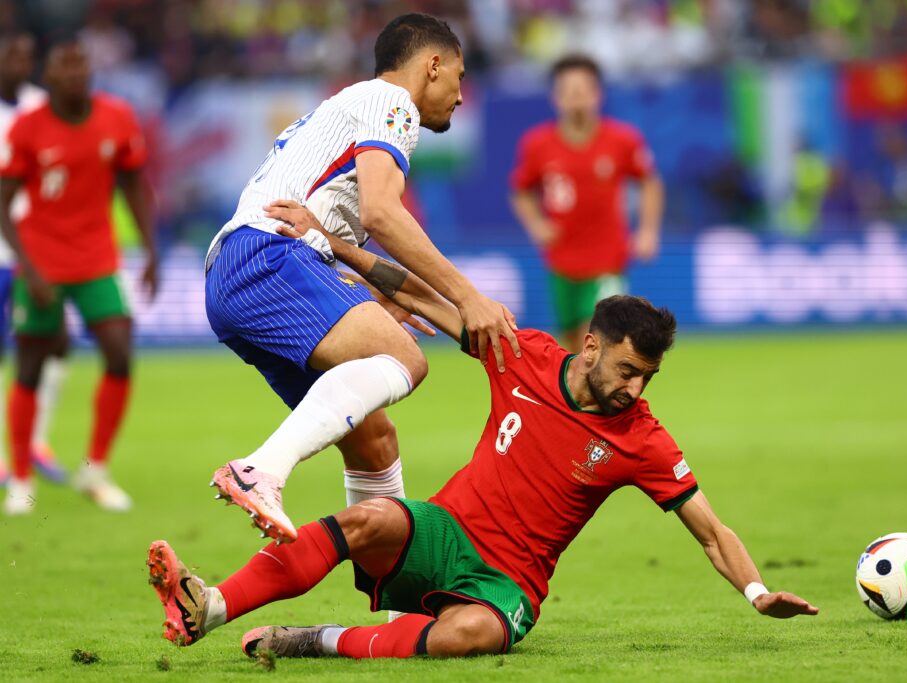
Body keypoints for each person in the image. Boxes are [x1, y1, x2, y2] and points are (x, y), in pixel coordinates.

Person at [149, 212, 817, 658]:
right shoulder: (520, 353)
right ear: (590, 346)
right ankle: (206, 606)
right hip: (445, 533)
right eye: (626, 370)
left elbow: (709, 528)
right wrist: (334, 242)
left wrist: (758, 593)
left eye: (646, 377)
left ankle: (312, 640)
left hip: (510, 585)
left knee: (465, 634)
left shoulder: (642, 438)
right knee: (370, 517)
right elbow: (421, 298)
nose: (634, 389)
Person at [203, 13, 519, 545]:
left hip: (241, 271)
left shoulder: (347, 111)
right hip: (268, 256)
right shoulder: (390, 103)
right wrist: (469, 296)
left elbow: (359, 238)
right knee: (405, 360)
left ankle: (398, 606)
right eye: (460, 77)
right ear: (432, 65)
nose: (462, 96)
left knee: (373, 438)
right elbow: (381, 213)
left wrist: (442, 310)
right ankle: (262, 469)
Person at [0, 39, 157, 515]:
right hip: (43, 261)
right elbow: (4, 203)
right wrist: (29, 265)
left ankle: (95, 469)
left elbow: (132, 182)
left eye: (80, 65)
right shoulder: (29, 127)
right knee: (30, 364)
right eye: (62, 68)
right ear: (49, 78)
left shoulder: (117, 117)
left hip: (96, 259)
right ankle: (21, 479)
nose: (73, 75)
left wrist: (151, 250)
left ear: (90, 70)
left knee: (119, 352)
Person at [510, 54, 664, 352]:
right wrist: (537, 225)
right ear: (556, 98)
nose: (576, 98)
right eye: (568, 91)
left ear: (597, 94)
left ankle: (609, 397)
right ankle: (582, 398)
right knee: (572, 345)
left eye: (582, 90)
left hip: (608, 259)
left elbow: (649, 182)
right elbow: (521, 190)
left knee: (595, 337)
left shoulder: (622, 140)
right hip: (562, 259)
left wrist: (647, 230)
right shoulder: (537, 144)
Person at [0, 33, 69, 489]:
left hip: (39, 251)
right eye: (12, 56)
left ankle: (36, 442)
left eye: (28, 55)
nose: (21, 63)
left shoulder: (42, 106)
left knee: (55, 345)